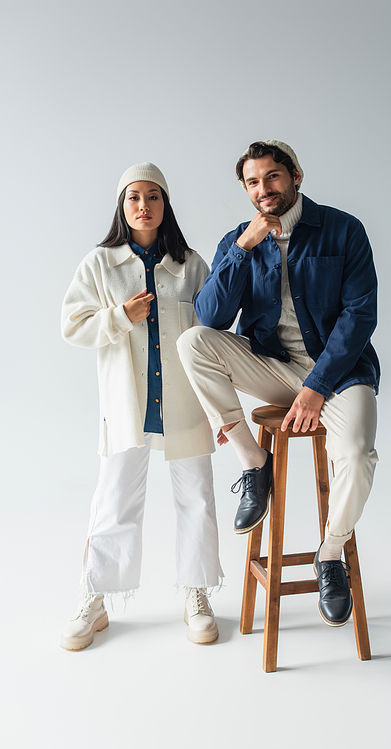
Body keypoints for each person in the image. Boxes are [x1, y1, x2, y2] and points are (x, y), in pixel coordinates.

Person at [177, 141, 379, 628]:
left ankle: (331, 554)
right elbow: (211, 317)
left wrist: (316, 387)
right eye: (253, 182)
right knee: (193, 342)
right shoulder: (237, 240)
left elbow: (360, 316)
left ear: (296, 176)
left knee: (355, 453)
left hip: (339, 373)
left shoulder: (343, 229)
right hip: (272, 367)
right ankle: (253, 461)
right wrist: (243, 250)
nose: (263, 189)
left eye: (272, 177)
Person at [60, 162, 223, 650]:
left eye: (153, 197)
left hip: (186, 403)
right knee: (114, 501)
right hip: (127, 404)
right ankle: (95, 597)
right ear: (122, 205)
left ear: (165, 204)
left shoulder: (191, 264)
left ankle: (197, 592)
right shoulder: (98, 264)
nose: (143, 206)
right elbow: (73, 325)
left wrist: (219, 409)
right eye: (134, 197)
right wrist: (119, 315)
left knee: (195, 498)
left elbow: (212, 334)